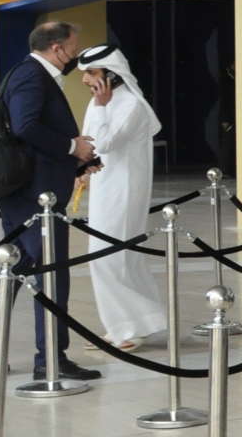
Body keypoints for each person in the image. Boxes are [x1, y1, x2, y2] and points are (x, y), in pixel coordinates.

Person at [0, 22, 100, 382]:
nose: (76, 54)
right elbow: (25, 127)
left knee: (11, 271)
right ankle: (49, 358)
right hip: (35, 196)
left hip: (29, 192)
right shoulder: (32, 76)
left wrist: (77, 160)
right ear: (56, 46)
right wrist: (71, 147)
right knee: (51, 275)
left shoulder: (28, 73)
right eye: (74, 45)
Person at [78, 45, 164, 351]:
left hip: (125, 191)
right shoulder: (97, 103)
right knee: (110, 258)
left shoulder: (131, 105)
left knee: (112, 258)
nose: (86, 80)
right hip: (104, 189)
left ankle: (129, 328)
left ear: (112, 74)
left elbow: (106, 143)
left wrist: (101, 107)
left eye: (92, 72)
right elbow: (88, 143)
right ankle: (125, 325)